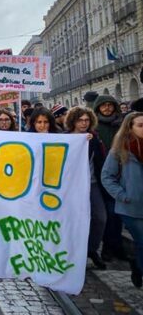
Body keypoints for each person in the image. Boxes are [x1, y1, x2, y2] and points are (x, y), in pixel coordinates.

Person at [102, 111, 143, 288]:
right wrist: (122, 195)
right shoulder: (120, 150)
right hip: (131, 207)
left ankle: (138, 267)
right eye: (140, 126)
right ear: (130, 128)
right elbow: (107, 176)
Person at [65, 107, 107, 270]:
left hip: (92, 183)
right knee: (72, 219)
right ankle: (73, 252)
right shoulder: (65, 138)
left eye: (86, 120)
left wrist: (91, 142)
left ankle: (91, 249)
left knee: (100, 217)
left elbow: (100, 161)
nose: (84, 123)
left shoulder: (94, 139)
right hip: (70, 187)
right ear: (73, 121)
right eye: (80, 120)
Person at [94, 95, 127, 261]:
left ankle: (117, 246)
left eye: (110, 105)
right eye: (103, 105)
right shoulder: (94, 127)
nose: (107, 108)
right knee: (107, 214)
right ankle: (107, 247)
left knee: (118, 213)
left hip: (122, 173)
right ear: (98, 107)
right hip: (101, 174)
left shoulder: (122, 125)